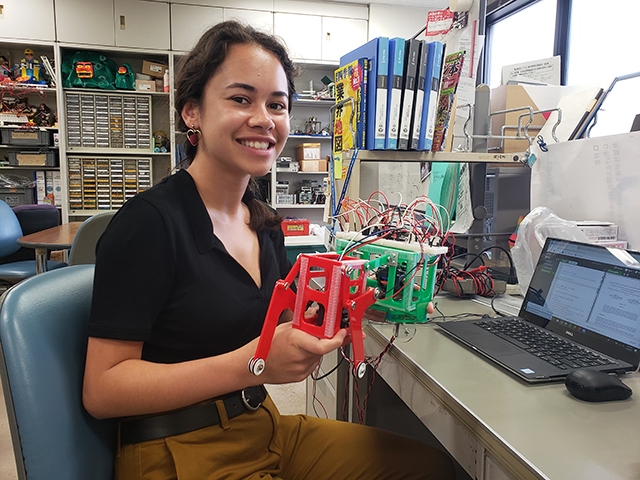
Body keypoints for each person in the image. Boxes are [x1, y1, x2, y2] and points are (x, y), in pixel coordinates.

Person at [83, 20, 456, 480]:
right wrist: (256, 363)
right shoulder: (148, 225)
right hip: (179, 449)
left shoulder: (262, 221)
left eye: (277, 104)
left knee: (431, 467)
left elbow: (281, 322)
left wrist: (349, 306)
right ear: (192, 112)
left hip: (262, 427)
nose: (264, 119)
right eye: (241, 99)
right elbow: (103, 390)